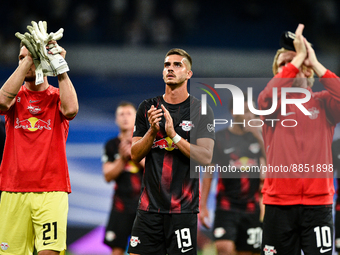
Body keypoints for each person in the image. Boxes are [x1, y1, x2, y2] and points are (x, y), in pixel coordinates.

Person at [258, 24, 340, 255]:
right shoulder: (273, 105)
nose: (289, 68)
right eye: (283, 65)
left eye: (294, 62)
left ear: (307, 70)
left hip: (318, 204)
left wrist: (314, 61)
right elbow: (265, 98)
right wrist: (298, 59)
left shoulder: (325, 103)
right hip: (278, 205)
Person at [127, 48, 215, 255]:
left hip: (182, 210)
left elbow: (205, 157)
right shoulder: (147, 108)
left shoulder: (201, 110)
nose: (171, 69)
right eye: (167, 65)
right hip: (149, 208)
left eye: (178, 65)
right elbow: (135, 154)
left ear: (189, 74)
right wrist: (152, 131)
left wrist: (173, 136)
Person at [0, 38, 78, 254]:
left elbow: (71, 110)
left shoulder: (56, 97)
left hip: (51, 190)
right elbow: (1, 103)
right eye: (20, 58)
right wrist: (27, 62)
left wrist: (60, 68)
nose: (23, 62)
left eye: (30, 58)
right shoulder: (14, 98)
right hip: (13, 189)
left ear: (43, 62)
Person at [200, 95, 265, 255]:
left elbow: (274, 165)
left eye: (252, 112)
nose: (249, 116)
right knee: (224, 250)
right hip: (226, 207)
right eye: (245, 111)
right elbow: (209, 173)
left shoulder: (258, 139)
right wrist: (202, 206)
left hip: (252, 209)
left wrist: (259, 136)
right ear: (232, 112)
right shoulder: (220, 138)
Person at [102, 101, 144, 255]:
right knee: (116, 249)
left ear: (136, 118)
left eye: (129, 114)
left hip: (143, 206)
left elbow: (154, 171)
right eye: (121, 114)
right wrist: (121, 158)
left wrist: (134, 155)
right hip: (120, 204)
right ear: (116, 119)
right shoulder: (111, 145)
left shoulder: (145, 142)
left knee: (140, 250)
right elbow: (107, 176)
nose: (125, 117)